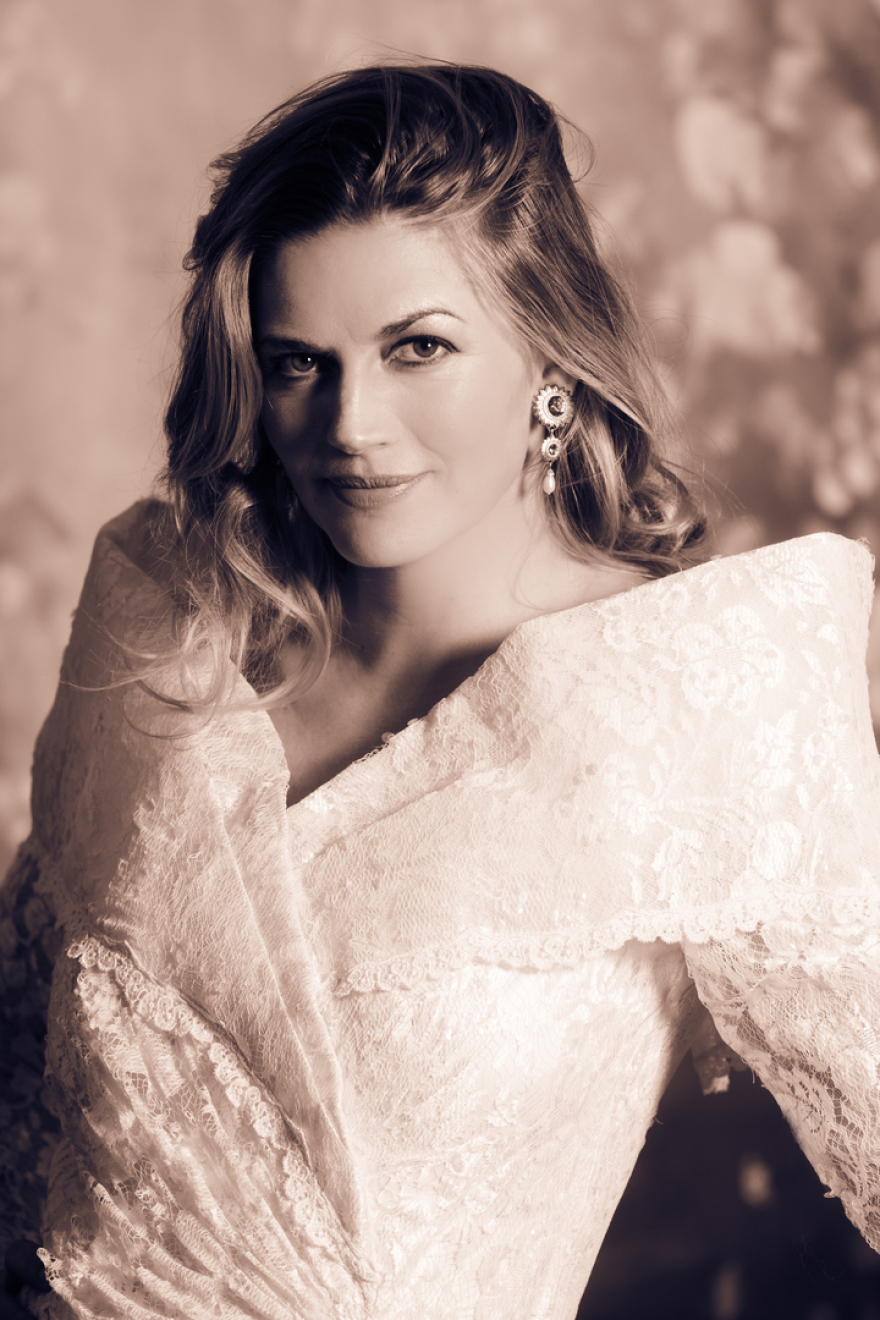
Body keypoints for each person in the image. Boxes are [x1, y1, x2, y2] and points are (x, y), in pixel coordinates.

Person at [1, 61, 878, 1320]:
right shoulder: (167, 635)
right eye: (298, 363)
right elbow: (25, 1100)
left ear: (550, 359)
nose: (351, 424)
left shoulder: (698, 694)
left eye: (418, 348)